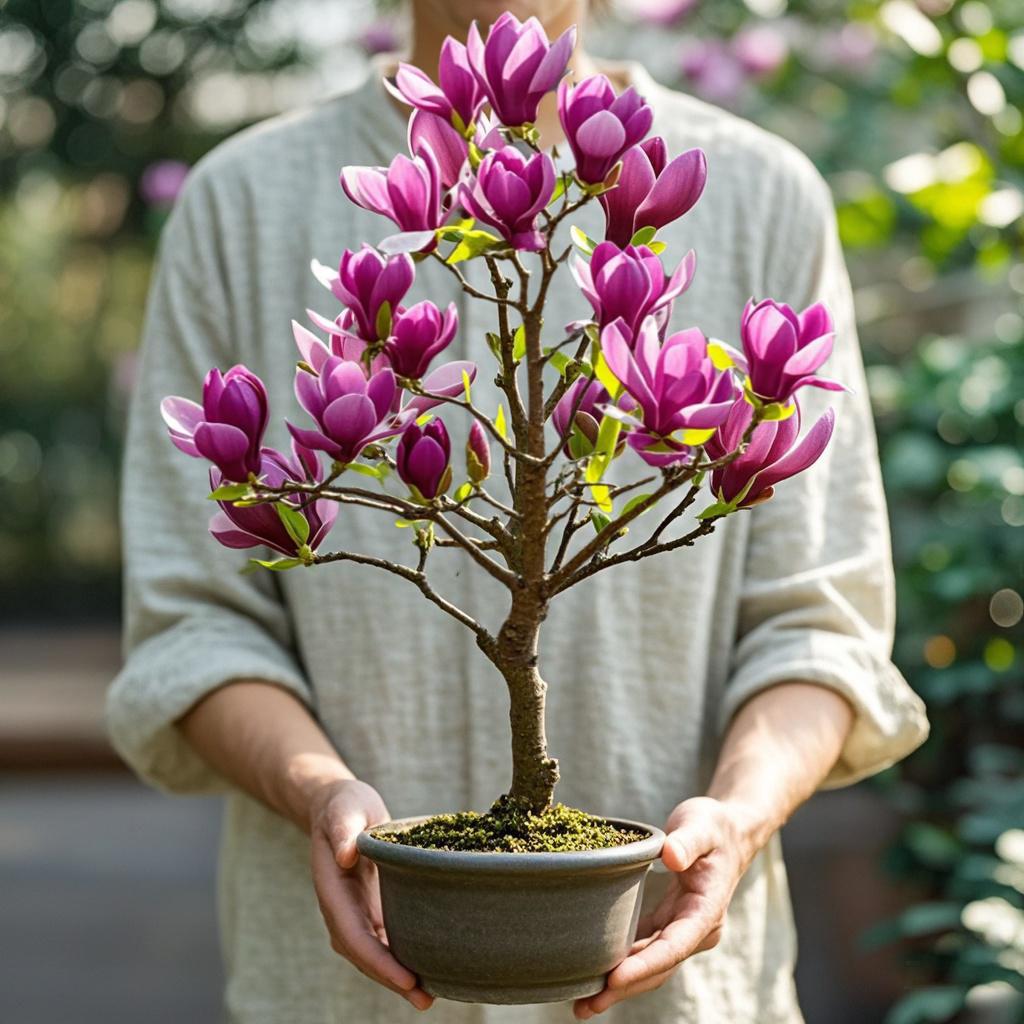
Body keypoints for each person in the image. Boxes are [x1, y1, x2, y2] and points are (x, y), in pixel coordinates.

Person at [107, 1, 929, 1021]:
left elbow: (821, 625)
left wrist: (738, 814)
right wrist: (321, 794)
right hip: (336, 996)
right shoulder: (242, 201)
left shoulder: (762, 193)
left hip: (676, 993)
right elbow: (193, 626)